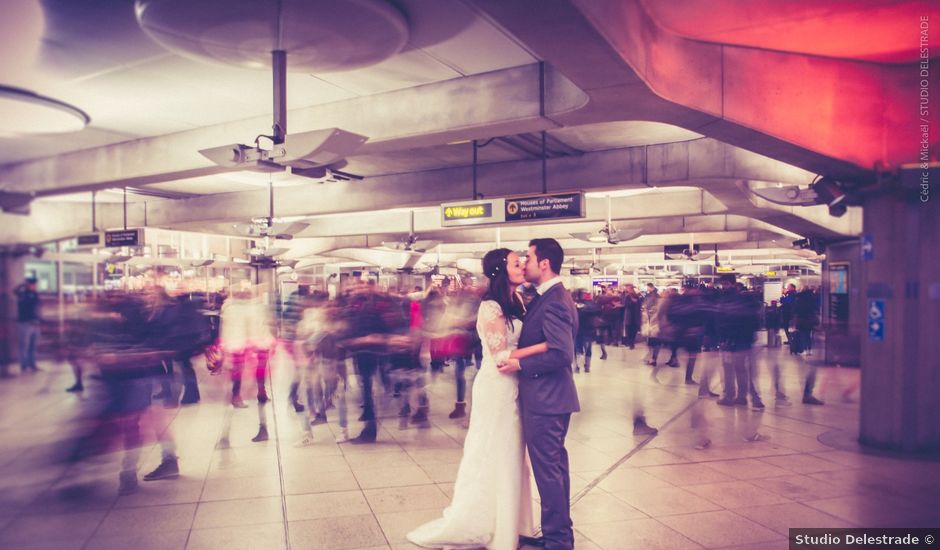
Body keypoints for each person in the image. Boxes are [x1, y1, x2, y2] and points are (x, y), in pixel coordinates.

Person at [407, 248, 547, 550]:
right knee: (497, 451)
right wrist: (544, 347)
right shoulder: (490, 307)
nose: (522, 265)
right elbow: (500, 356)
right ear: (500, 270)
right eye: (515, 262)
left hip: (515, 384)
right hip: (497, 387)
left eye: (522, 261)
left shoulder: (516, 300)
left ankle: (514, 523)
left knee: (513, 455)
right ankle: (493, 526)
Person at [498, 238, 580, 550]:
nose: (525, 263)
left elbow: (561, 353)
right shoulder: (551, 296)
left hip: (547, 399)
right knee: (555, 470)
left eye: (529, 257)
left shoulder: (555, 299)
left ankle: (558, 541)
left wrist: (520, 363)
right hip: (553, 398)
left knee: (549, 473)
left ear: (544, 263)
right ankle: (560, 535)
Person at [14, 276, 41, 374]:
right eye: (31, 284)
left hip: (35, 323)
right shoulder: (22, 294)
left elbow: (38, 309)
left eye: (34, 284)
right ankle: (24, 365)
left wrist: (39, 320)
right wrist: (23, 284)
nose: (34, 286)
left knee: (33, 345)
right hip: (25, 323)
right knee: (24, 345)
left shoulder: (35, 294)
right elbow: (15, 290)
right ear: (28, 285)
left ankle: (32, 364)